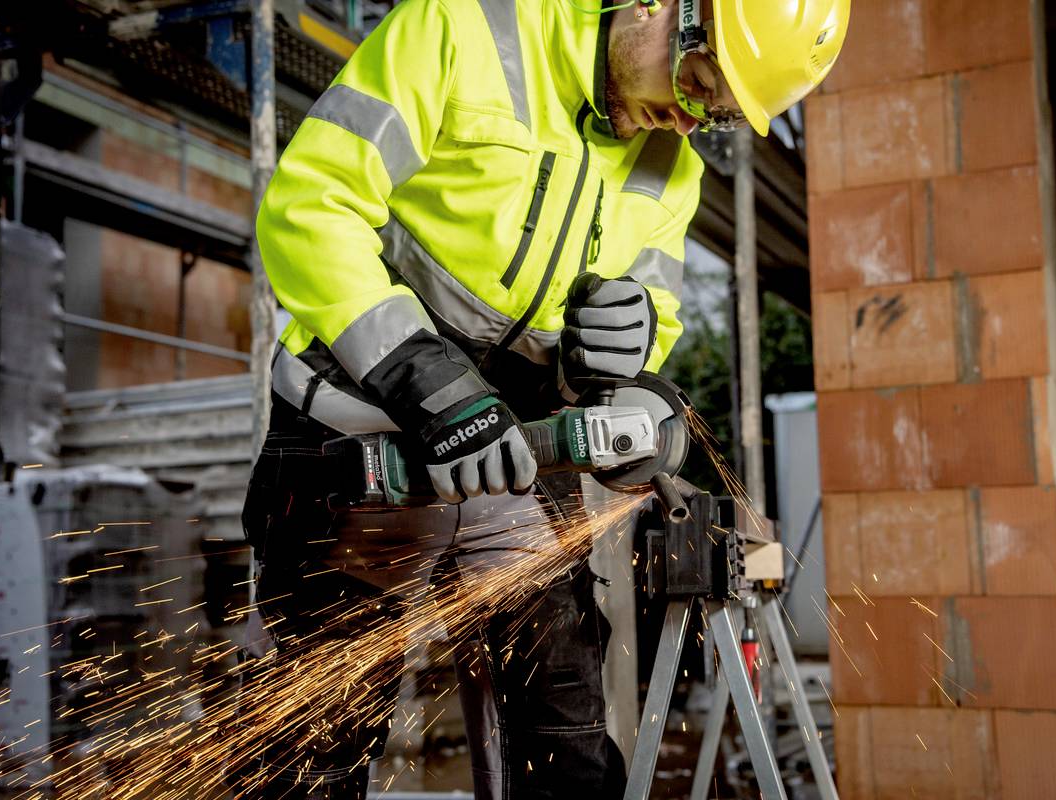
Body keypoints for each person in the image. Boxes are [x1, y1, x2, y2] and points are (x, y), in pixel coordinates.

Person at [236, 0, 848, 795]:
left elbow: (654, 320)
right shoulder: (462, 29)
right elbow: (310, 209)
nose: (693, 120)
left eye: (718, 114)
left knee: (568, 759)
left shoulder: (671, 162)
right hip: (359, 443)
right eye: (699, 83)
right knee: (310, 760)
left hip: (521, 468)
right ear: (660, 8)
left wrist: (614, 361)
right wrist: (434, 384)